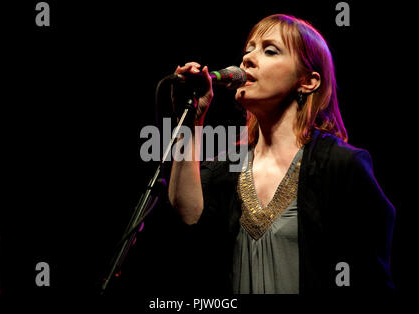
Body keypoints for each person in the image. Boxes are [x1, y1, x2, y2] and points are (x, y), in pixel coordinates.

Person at [168, 14, 395, 294]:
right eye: (248, 50)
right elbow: (188, 215)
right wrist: (190, 120)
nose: (247, 60)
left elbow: (370, 279)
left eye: (270, 50)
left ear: (308, 81)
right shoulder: (227, 167)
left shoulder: (342, 166)